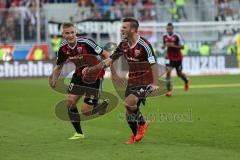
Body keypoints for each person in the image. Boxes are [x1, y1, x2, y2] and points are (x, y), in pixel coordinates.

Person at [102, 18, 159, 144]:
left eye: (124, 27)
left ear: (133, 29)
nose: (121, 29)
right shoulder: (123, 44)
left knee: (128, 103)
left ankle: (143, 124)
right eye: (122, 27)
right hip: (132, 80)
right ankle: (135, 135)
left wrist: (155, 83)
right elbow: (112, 58)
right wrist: (97, 68)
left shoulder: (144, 44)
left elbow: (153, 63)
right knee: (129, 111)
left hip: (145, 79)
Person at [50, 22, 109, 140]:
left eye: (72, 32)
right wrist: (54, 79)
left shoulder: (86, 43)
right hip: (78, 75)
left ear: (75, 32)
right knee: (70, 102)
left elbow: (106, 55)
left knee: (86, 111)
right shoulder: (63, 48)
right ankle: (79, 133)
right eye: (67, 33)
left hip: (94, 76)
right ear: (63, 34)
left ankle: (100, 106)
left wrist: (100, 67)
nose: (71, 35)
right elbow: (59, 66)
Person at [162, 23, 189, 97]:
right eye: (167, 29)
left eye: (170, 28)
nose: (168, 30)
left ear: (173, 28)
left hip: (178, 58)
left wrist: (172, 45)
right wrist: (164, 50)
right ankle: (169, 91)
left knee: (179, 73)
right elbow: (165, 46)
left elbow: (182, 47)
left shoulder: (177, 36)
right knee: (168, 73)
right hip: (170, 58)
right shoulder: (164, 36)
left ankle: (186, 81)